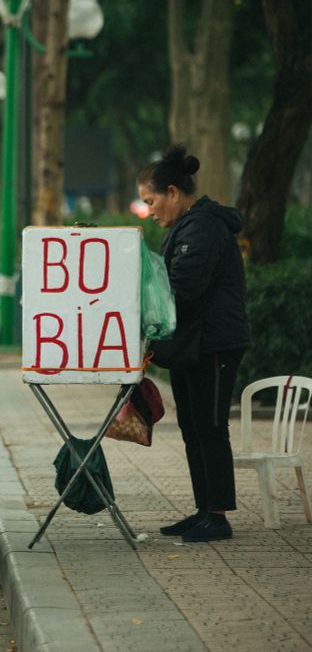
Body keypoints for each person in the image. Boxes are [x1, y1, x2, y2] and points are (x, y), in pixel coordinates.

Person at [137, 144, 251, 543]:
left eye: (151, 201)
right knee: (192, 427)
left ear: (172, 192)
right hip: (194, 344)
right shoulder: (186, 226)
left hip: (215, 343)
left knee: (210, 426)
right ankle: (204, 509)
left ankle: (217, 515)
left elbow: (183, 288)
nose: (149, 210)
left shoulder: (202, 226)